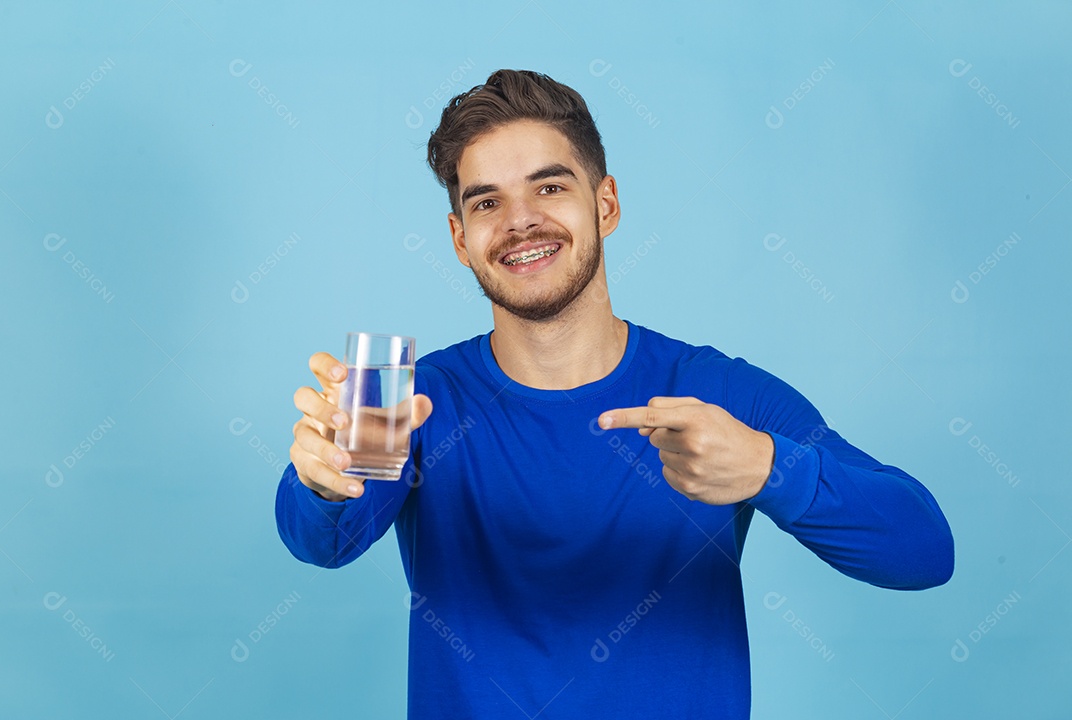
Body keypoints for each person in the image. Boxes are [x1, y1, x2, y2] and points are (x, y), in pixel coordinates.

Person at [276, 69, 954, 719]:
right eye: (486, 201)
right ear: (460, 238)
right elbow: (323, 542)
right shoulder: (408, 400)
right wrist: (322, 484)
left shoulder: (716, 392)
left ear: (606, 204)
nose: (518, 222)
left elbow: (925, 550)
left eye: (549, 188)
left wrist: (770, 468)